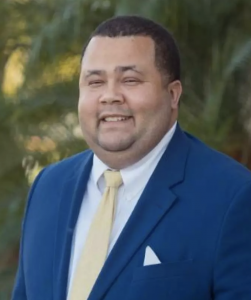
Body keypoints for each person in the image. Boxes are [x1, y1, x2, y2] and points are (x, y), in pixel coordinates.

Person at [12, 15, 251, 300]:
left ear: (173, 95)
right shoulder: (47, 187)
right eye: (95, 81)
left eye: (130, 80)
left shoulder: (234, 197)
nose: (110, 96)